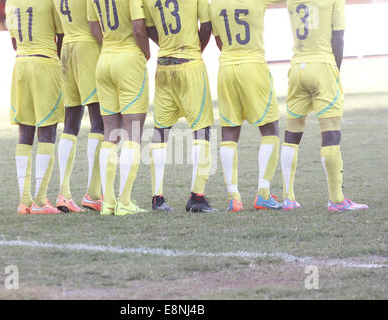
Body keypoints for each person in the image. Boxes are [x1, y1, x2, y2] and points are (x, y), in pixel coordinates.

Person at [281, 0, 368, 211]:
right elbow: (339, 37)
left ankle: (288, 198)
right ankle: (336, 199)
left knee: (291, 134)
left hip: (297, 67)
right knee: (330, 134)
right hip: (322, 65)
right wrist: (335, 71)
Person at [210, 0, 284, 212]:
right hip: (253, 65)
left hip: (226, 68)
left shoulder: (214, 4)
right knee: (270, 128)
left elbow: (219, 41)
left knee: (229, 131)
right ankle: (263, 193)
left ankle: (234, 197)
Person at [143, 0, 217, 212]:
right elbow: (207, 25)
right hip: (190, 64)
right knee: (201, 129)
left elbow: (148, 27)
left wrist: (168, 46)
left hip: (164, 64)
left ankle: (157, 198)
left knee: (160, 131)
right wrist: (195, 50)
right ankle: (197, 197)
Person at [87, 0, 150, 216]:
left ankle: (108, 202)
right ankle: (124, 202)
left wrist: (108, 46)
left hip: (104, 60)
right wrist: (146, 54)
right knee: (133, 133)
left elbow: (94, 26)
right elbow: (139, 28)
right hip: (128, 58)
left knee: (110, 133)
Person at [6, 0, 65, 215]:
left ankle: (24, 201)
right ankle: (40, 200)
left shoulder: (10, 2)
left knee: (25, 132)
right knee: (47, 131)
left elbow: (13, 41)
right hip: (45, 63)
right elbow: (62, 35)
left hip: (21, 63)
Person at [52, 0, 104, 213]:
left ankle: (64, 193)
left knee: (71, 121)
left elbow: (58, 30)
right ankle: (93, 194)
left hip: (66, 49)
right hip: (88, 47)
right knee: (99, 120)